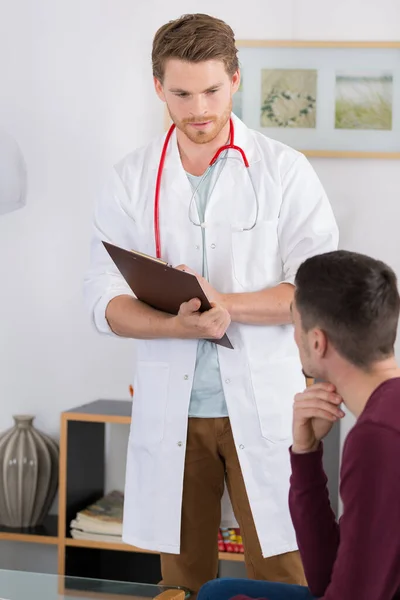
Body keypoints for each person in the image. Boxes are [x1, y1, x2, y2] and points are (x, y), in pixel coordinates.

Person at [84, 13, 338, 593]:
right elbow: (101, 298)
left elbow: (315, 291)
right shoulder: (129, 179)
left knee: (286, 573)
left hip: (264, 406)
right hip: (174, 411)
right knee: (181, 583)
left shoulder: (285, 172)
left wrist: (225, 303)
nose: (198, 108)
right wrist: (174, 327)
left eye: (212, 90)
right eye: (180, 93)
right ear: (158, 88)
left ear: (236, 80)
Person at [197, 249, 400, 600]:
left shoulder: (377, 439)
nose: (294, 337)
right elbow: (328, 579)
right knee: (219, 591)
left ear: (317, 342)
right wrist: (305, 454)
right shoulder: (383, 416)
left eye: (295, 325)